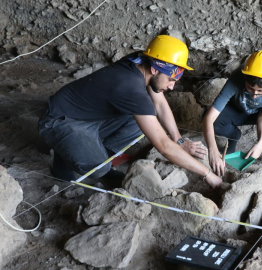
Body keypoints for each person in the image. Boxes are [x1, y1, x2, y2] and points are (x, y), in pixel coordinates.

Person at [38, 35, 222, 188]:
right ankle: (66, 157)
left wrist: (179, 140)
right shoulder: (130, 88)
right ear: (154, 69)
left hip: (87, 114)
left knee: (141, 119)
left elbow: (159, 103)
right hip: (59, 121)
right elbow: (164, 146)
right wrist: (208, 175)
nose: (172, 87)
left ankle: (94, 152)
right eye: (170, 80)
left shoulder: (140, 61)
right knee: (98, 169)